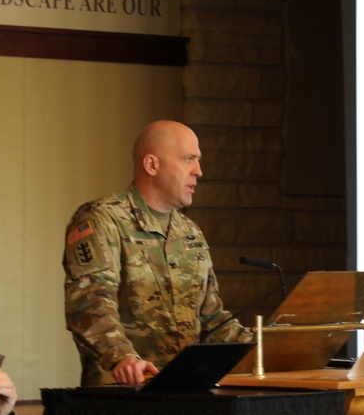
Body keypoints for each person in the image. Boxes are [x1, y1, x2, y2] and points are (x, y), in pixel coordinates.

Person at [62, 119, 252, 387]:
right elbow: (89, 306)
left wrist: (265, 348)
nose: (199, 171)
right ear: (152, 165)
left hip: (188, 392)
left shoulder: (190, 232)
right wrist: (122, 358)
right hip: (127, 396)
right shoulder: (102, 220)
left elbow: (212, 320)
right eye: (189, 159)